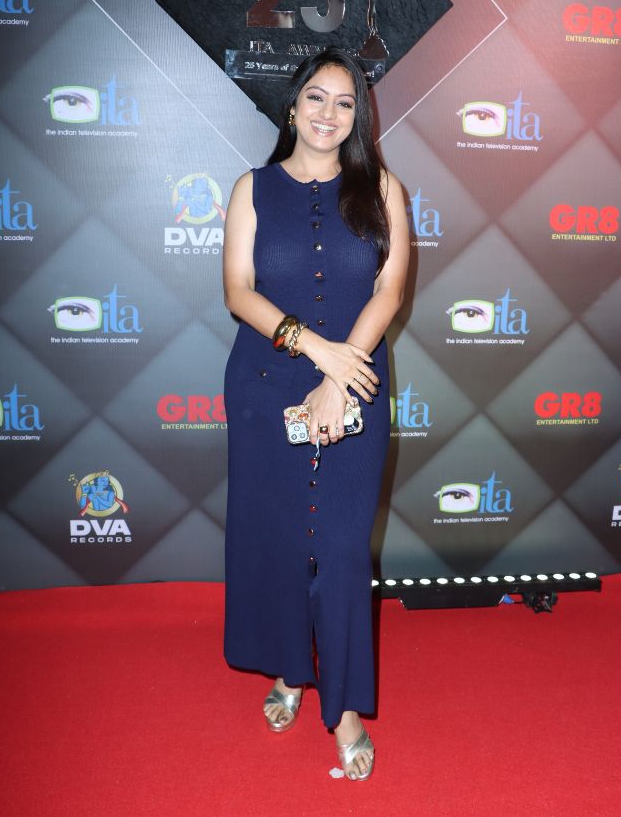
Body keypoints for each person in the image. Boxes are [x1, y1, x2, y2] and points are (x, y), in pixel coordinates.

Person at [221, 47, 409, 781]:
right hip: (266, 387)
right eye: (316, 98)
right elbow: (238, 291)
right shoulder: (252, 188)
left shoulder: (382, 189)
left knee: (340, 548)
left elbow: (389, 291)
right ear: (292, 105)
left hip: (355, 386)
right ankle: (289, 671)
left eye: (345, 102)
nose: (329, 113)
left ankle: (346, 705)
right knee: (277, 541)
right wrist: (314, 350)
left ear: (358, 117)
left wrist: (341, 373)